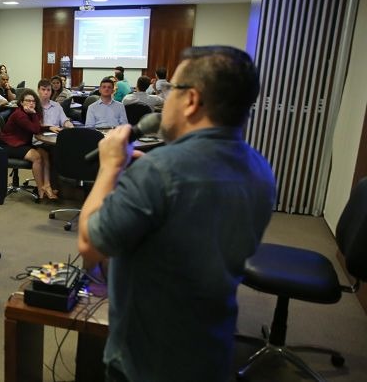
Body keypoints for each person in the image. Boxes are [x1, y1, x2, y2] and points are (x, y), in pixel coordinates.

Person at [77, 46, 276, 382]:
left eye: (171, 91)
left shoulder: (159, 172)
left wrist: (110, 169)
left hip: (148, 358)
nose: (164, 99)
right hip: (212, 346)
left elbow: (90, 245)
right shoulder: (260, 168)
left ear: (192, 100)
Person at [0, 88, 57, 200]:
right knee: (37, 157)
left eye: (33, 101)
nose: (31, 103)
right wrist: (34, 114)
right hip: (9, 145)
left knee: (45, 153)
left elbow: (35, 126)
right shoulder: (19, 114)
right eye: (28, 101)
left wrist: (49, 127)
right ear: (21, 102)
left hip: (21, 144)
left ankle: (47, 186)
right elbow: (34, 129)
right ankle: (40, 189)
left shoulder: (28, 114)